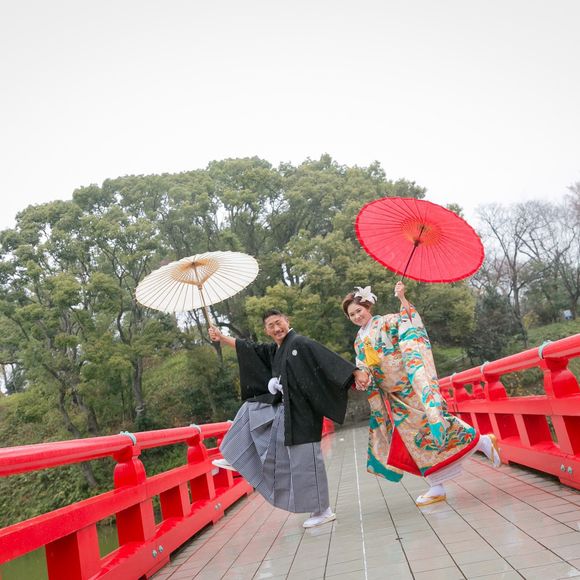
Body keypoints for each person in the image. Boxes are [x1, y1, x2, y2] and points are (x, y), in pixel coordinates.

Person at [342, 282, 501, 506]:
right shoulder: (359, 341)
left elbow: (410, 323)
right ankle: (437, 483)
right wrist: (363, 376)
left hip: (410, 387)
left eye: (359, 310)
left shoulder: (387, 321)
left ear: (368, 307)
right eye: (352, 314)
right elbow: (364, 365)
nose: (357, 316)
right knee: (414, 439)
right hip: (393, 395)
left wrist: (402, 299)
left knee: (434, 423)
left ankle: (481, 442)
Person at [209, 309, 368, 527]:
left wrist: (355, 372)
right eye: (271, 326)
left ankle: (323, 510)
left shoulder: (299, 343)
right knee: (252, 407)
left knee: (307, 461)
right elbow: (250, 349)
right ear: (266, 331)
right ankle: (242, 451)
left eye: (278, 323)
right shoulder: (276, 349)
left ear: (287, 321)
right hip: (289, 410)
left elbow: (325, 357)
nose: (276, 329)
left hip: (303, 411)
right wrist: (221, 337)